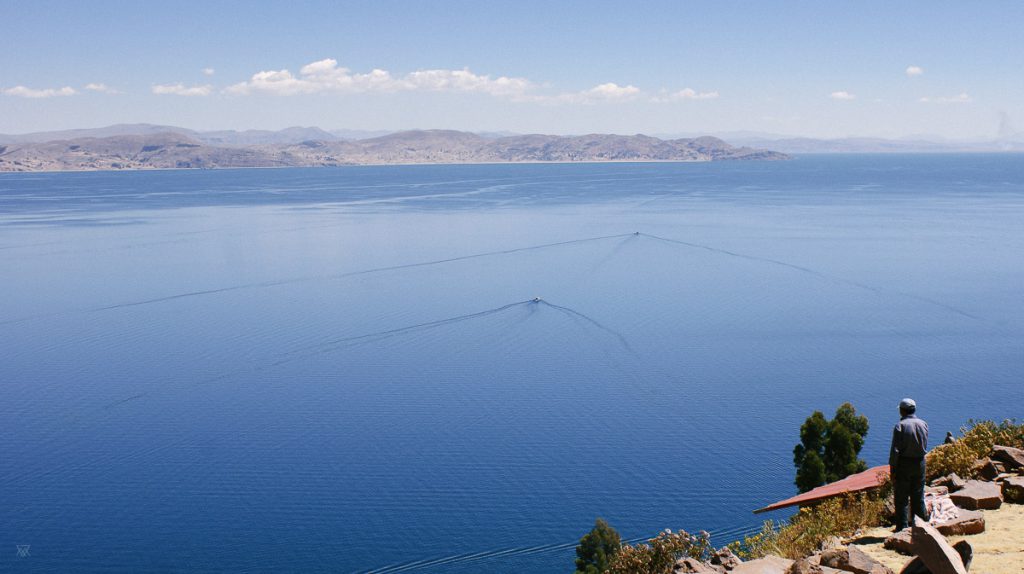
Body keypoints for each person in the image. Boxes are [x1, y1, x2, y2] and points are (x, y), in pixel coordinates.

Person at [889, 398, 930, 531]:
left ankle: (902, 529)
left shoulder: (900, 426)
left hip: (904, 464)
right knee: (918, 496)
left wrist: (893, 469)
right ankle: (921, 528)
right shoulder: (923, 424)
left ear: (902, 411)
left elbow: (895, 451)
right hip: (920, 463)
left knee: (902, 498)